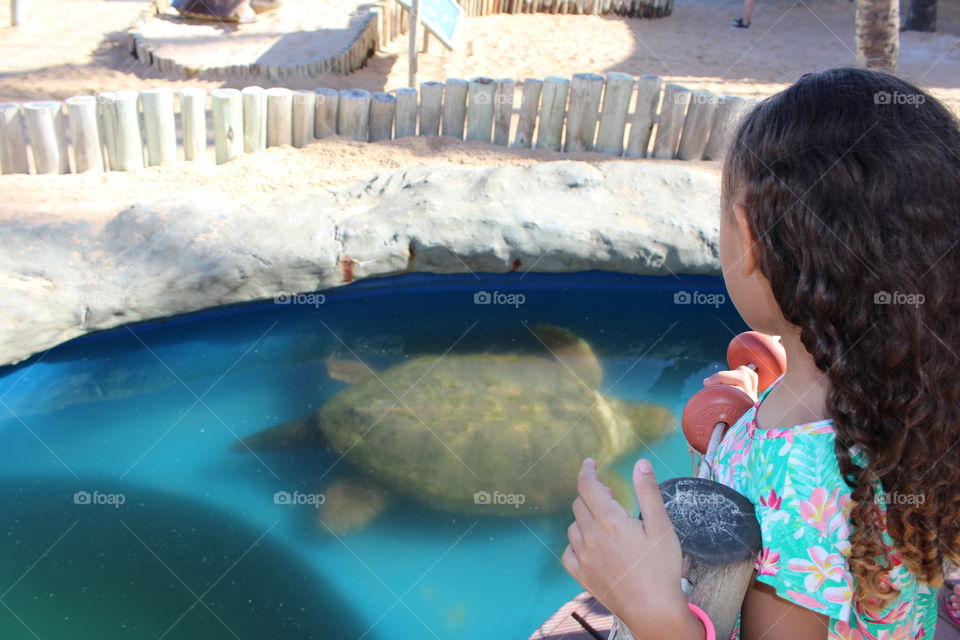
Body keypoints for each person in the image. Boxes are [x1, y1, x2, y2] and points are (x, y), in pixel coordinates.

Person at [562, 67, 960, 639]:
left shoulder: (800, 487)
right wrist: (760, 408)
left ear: (747, 238)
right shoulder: (912, 390)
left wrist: (648, 607)